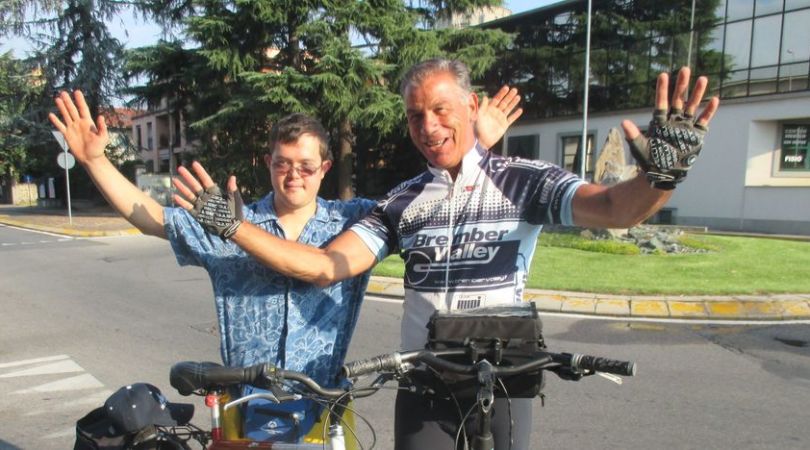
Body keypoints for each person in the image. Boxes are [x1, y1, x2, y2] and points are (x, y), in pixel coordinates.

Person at [177, 58, 719, 449]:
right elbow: (322, 267)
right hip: (423, 387)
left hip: (504, 382)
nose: (429, 126)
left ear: (472, 107)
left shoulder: (523, 181)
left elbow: (616, 209)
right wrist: (235, 228)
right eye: (416, 116)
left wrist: (661, 177)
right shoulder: (401, 201)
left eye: (441, 109)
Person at [48, 85, 523, 443]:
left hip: (325, 408)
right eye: (282, 163)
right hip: (243, 407)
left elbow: (426, 198)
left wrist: (474, 144)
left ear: (324, 169)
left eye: (305, 165)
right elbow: (153, 218)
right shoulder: (229, 222)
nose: (293, 174)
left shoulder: (356, 221)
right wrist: (95, 161)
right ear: (268, 162)